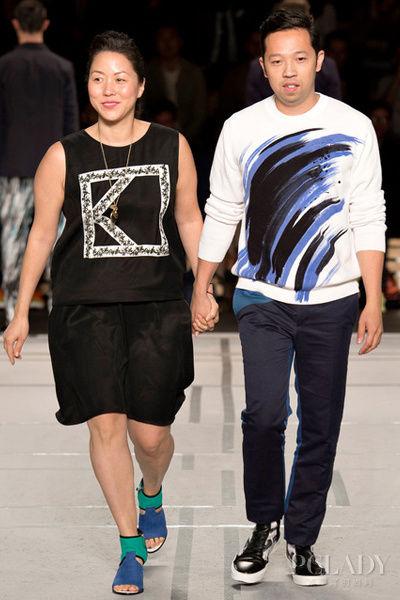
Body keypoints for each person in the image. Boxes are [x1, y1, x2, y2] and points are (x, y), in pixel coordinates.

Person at [3, 30, 218, 595]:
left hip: (156, 306)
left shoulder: (171, 145)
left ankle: (152, 493)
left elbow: (189, 218)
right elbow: (41, 234)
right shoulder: (63, 155)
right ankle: (129, 546)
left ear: (141, 86)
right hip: (84, 309)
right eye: (99, 78)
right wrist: (20, 311)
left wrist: (203, 287)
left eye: (121, 78)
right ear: (87, 87)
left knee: (151, 436)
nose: (109, 88)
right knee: (105, 424)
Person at [192, 7, 385, 587]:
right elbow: (222, 208)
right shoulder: (241, 128)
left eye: (300, 58)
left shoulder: (354, 126)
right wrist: (201, 284)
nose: (290, 70)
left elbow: (368, 214)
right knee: (265, 415)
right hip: (262, 296)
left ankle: (303, 539)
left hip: (333, 300)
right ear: (262, 66)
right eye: (277, 61)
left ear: (319, 60)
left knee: (320, 423)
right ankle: (263, 524)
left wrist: (373, 298)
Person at [0, 0, 79, 325]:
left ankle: (12, 309)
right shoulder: (61, 67)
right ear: (45, 25)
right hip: (54, 167)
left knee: (13, 236)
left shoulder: (4, 66)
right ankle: (57, 307)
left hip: (13, 164)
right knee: (57, 234)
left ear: (16, 25)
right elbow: (70, 121)